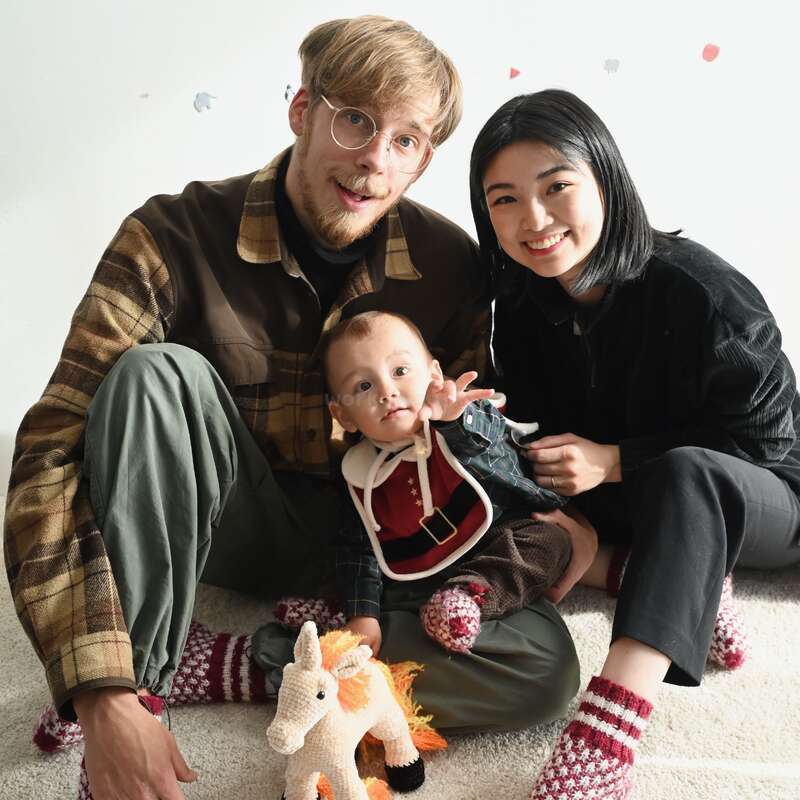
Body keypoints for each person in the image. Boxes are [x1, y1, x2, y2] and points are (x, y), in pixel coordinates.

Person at [4, 19, 580, 800]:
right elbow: (50, 449)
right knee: (153, 376)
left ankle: (260, 662)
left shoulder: (453, 267)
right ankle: (143, 689)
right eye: (356, 121)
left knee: (543, 667)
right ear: (302, 109)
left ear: (424, 159)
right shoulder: (170, 236)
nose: (376, 159)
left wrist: (466, 433)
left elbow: (480, 456)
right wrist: (100, 691)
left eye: (406, 140)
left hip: (386, 549)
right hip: (239, 527)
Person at [469, 88, 800, 800]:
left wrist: (616, 460)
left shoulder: (702, 293)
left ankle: (606, 732)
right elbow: (532, 424)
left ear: (607, 182)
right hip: (630, 503)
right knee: (480, 494)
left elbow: (769, 447)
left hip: (764, 498)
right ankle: (674, 584)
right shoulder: (523, 303)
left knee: (685, 473)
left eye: (557, 187)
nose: (534, 220)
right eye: (504, 199)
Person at [321, 310, 571, 655]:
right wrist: (362, 613)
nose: (387, 391)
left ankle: (466, 599)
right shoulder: (359, 474)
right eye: (364, 385)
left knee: (550, 539)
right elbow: (358, 548)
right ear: (344, 415)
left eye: (400, 371)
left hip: (494, 544)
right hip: (418, 577)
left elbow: (494, 453)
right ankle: (337, 620)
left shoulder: (464, 419)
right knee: (363, 602)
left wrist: (453, 422)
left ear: (434, 374)